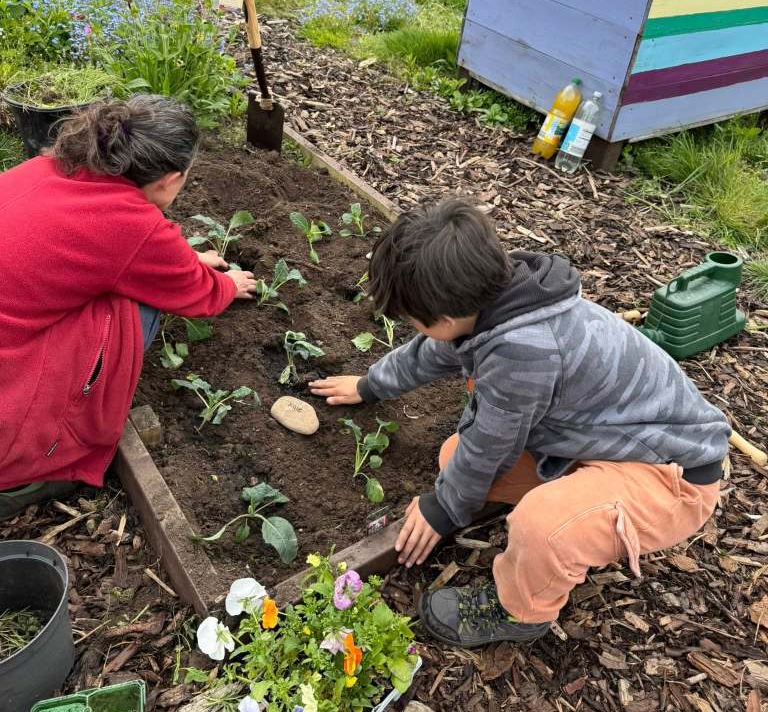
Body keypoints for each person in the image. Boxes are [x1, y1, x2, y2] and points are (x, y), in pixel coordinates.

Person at [310, 199, 729, 648]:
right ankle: (574, 508)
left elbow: (490, 444)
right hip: (604, 444)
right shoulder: (500, 299)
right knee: (455, 457)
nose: (414, 328)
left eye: (413, 320)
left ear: (446, 318)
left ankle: (520, 613)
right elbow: (435, 353)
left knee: (540, 525)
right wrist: (370, 384)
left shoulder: (522, 352)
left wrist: (443, 509)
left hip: (671, 478)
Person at [0, 95, 256, 517]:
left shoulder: (45, 168)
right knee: (129, 309)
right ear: (171, 179)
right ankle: (35, 473)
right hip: (10, 427)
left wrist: (184, 259)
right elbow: (200, 296)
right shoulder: (132, 227)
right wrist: (226, 283)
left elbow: (88, 250)